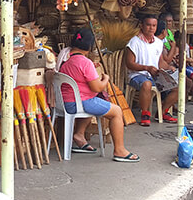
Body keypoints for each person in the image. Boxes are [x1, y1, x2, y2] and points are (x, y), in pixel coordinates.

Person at [58, 28, 139, 161]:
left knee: (94, 103)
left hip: (65, 103)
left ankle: (79, 135)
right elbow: (97, 87)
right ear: (90, 46)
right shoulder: (85, 63)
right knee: (117, 112)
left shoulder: (66, 62)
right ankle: (119, 150)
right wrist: (105, 79)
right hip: (80, 103)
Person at [125, 16, 179, 126]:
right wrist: (147, 68)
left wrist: (169, 68)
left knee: (178, 87)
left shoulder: (158, 43)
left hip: (154, 75)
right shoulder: (134, 42)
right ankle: (145, 114)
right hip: (137, 75)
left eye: (154, 26)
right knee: (147, 84)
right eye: (148, 25)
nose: (151, 28)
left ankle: (163, 111)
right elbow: (129, 63)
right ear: (142, 25)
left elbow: (160, 62)